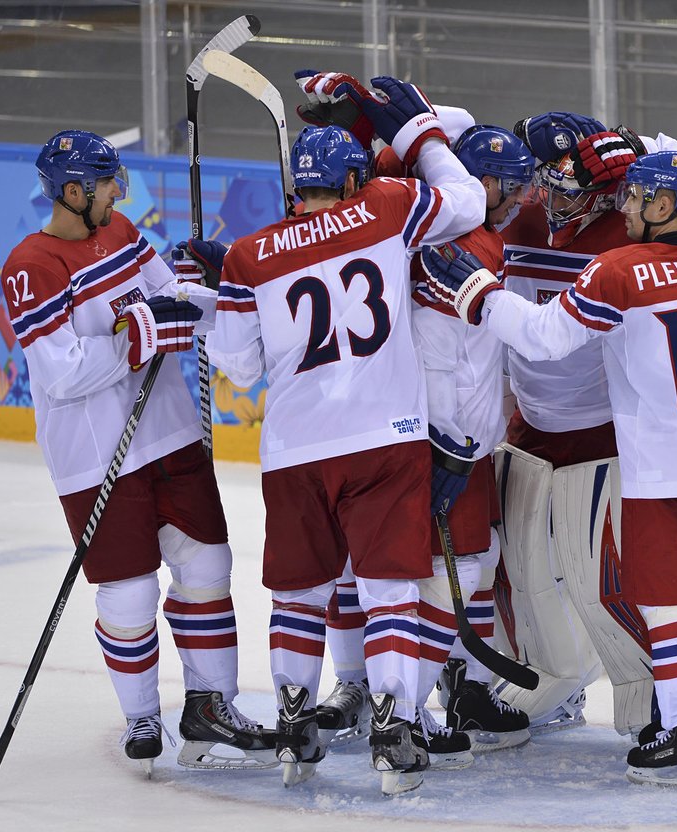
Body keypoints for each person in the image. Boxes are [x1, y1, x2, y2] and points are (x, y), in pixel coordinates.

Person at [419, 151, 677, 788]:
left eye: (639, 199)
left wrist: (479, 293)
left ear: (668, 205)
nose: (626, 210)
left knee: (669, 607)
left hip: (672, 472)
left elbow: (540, 338)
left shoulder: (619, 271)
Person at [205, 75, 486, 796]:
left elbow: (236, 367)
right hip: (383, 438)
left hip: (295, 448)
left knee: (300, 595)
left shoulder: (249, 254)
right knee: (389, 588)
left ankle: (295, 724)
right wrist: (421, 136)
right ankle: (394, 727)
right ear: (355, 177)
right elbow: (469, 203)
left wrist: (222, 297)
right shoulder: (387, 208)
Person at [0, 130, 276, 776]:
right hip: (95, 455)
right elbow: (63, 372)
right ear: (73, 192)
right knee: (126, 594)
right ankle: (143, 716)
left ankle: (211, 705)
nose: (118, 192)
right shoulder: (30, 265)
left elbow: (170, 296)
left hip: (169, 430)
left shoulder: (121, 230)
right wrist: (144, 331)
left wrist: (226, 298)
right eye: (106, 183)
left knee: (208, 563)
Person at [493, 113, 677, 735]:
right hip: (527, 421)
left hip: (604, 427)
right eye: (547, 183)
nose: (553, 199)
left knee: (602, 581)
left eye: (573, 188)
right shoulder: (514, 214)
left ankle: (650, 700)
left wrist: (639, 150)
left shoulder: (629, 230)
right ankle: (548, 684)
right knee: (520, 574)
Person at [410, 124, 535, 752]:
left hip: (472, 443)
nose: (518, 198)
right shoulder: (456, 243)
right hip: (448, 443)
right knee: (444, 573)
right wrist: (442, 440)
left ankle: (469, 688)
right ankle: (404, 709)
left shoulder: (483, 238)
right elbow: (432, 353)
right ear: (481, 184)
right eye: (510, 186)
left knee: (478, 563)